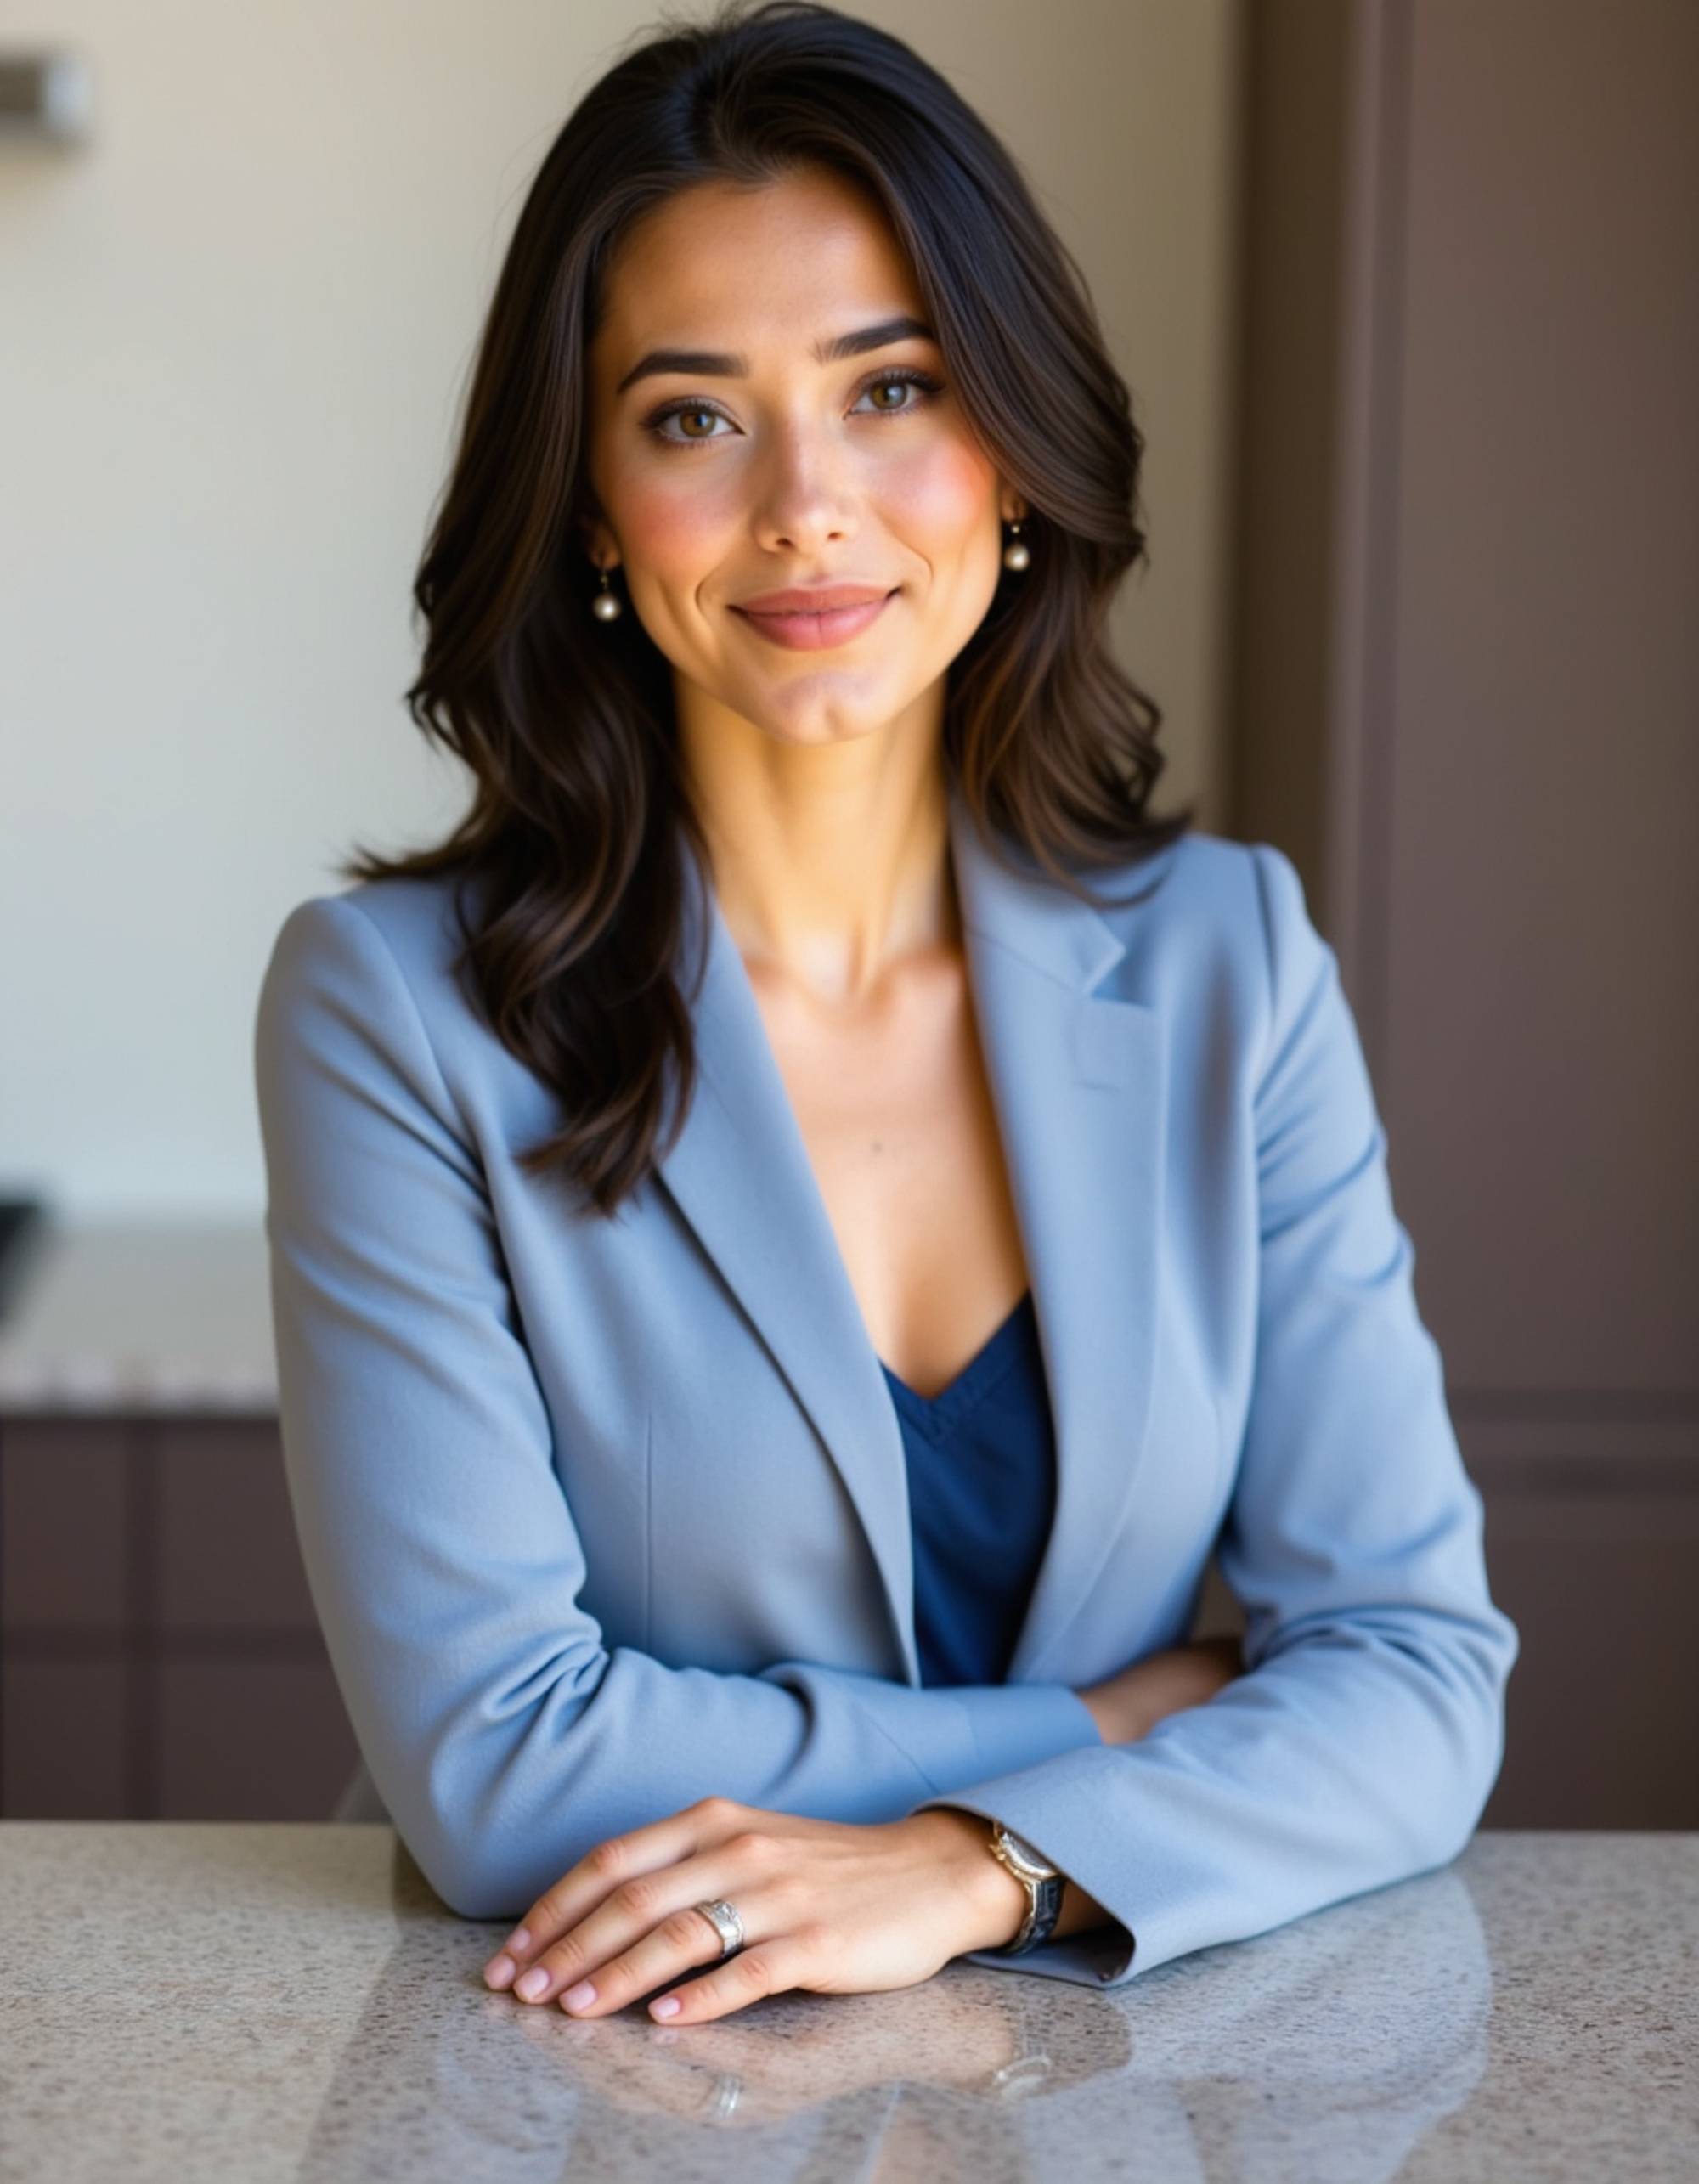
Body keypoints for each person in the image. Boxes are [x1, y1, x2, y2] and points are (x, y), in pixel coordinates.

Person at [253, 0, 1518, 2027]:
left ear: (1007, 448)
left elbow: (1417, 1672)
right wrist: (1119, 1722)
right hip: (592, 2076)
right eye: (691, 416)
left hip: (1101, 2092)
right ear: (585, 502)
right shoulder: (396, 1014)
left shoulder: (1227, 966)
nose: (804, 505)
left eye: (893, 387)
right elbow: (502, 1768)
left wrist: (980, 1864)